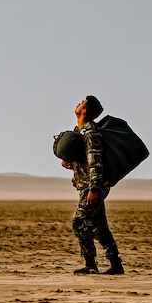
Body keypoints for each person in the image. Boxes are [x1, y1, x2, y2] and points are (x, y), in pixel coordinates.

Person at [61, 94, 124, 274]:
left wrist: (94, 189)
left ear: (85, 111)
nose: (78, 103)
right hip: (85, 185)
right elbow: (83, 160)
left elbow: (96, 162)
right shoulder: (78, 132)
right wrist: (68, 162)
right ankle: (116, 265)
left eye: (82, 103)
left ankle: (90, 264)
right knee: (99, 226)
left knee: (79, 221)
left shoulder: (91, 134)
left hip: (92, 186)